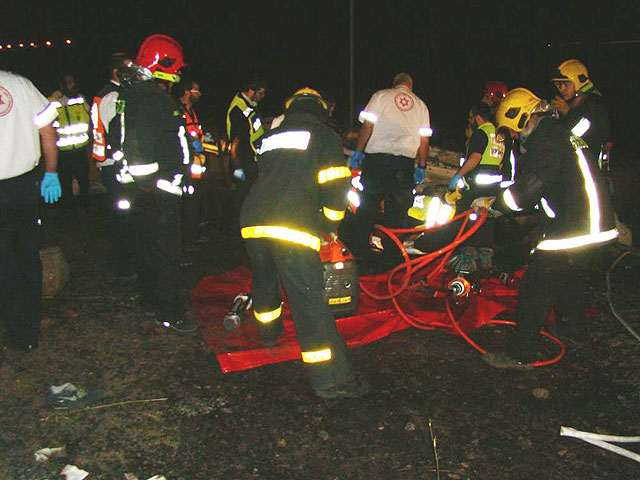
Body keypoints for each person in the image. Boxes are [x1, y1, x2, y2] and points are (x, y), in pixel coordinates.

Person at [475, 88, 618, 369]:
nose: (513, 137)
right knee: (570, 278)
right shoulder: (557, 133)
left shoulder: (547, 139)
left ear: (523, 117)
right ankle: (574, 333)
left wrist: (497, 204)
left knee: (536, 285)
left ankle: (520, 354)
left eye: (512, 130)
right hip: (594, 223)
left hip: (578, 224)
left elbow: (530, 189)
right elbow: (541, 185)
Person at [240, 87, 368, 399]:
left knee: (264, 279)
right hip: (292, 225)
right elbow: (335, 184)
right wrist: (330, 225)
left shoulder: (273, 134)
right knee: (308, 300)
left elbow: (275, 174)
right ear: (322, 109)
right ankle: (329, 378)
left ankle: (269, 334)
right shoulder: (323, 135)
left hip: (252, 218)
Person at [116, 34, 196, 333]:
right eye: (174, 68)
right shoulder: (152, 99)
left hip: (150, 190)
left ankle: (153, 303)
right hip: (158, 192)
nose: (177, 75)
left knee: (149, 248)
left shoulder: (137, 95)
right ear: (160, 65)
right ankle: (170, 313)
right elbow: (139, 145)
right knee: (165, 253)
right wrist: (151, 182)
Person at [339, 72, 432, 269]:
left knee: (367, 208)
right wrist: (421, 166)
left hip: (377, 162)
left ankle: (359, 256)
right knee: (397, 214)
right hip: (404, 166)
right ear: (410, 86)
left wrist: (358, 152)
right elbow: (424, 140)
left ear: (394, 84)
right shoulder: (421, 106)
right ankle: (392, 262)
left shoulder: (380, 96)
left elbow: (367, 126)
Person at [0, 69, 61, 351]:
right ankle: (29, 328)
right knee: (26, 254)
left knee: (6, 260)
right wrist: (51, 171)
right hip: (24, 186)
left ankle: (15, 327)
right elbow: (48, 129)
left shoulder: (20, 84)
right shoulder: (21, 84)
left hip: (17, 186)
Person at [91, 52, 137, 276]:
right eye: (128, 68)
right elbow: (116, 132)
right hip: (114, 165)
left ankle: (125, 259)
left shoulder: (113, 94)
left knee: (124, 214)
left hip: (113, 163)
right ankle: (123, 264)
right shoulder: (113, 96)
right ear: (116, 71)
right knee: (121, 215)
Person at [446, 101, 505, 271]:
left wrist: (458, 175)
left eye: (471, 117)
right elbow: (501, 163)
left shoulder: (481, 133)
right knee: (485, 221)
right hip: (493, 187)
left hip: (477, 186)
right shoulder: (498, 134)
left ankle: (466, 262)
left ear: (477, 117)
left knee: (467, 219)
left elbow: (475, 158)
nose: (470, 121)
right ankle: (485, 260)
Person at [551, 59, 611, 170]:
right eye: (559, 84)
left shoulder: (594, 106)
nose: (561, 88)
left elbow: (580, 134)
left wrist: (567, 113)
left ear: (580, 82)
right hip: (571, 170)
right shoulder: (571, 105)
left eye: (566, 83)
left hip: (588, 171)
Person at [225, 78, 266, 232]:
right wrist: (237, 166)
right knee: (243, 197)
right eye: (260, 93)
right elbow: (236, 140)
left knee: (249, 196)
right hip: (244, 161)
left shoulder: (249, 106)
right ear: (251, 91)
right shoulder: (238, 108)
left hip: (252, 159)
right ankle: (237, 230)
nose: (262, 97)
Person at [49, 73, 92, 208]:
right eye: (69, 83)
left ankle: (86, 206)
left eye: (73, 82)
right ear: (62, 85)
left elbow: (89, 115)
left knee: (84, 180)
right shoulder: (53, 101)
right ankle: (68, 210)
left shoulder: (80, 98)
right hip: (63, 151)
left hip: (80, 148)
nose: (73, 85)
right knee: (65, 182)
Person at [174, 75, 208, 245]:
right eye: (197, 90)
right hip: (185, 165)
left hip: (196, 164)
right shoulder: (178, 111)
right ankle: (186, 238)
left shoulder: (192, 112)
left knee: (195, 199)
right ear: (187, 92)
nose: (200, 94)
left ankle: (193, 233)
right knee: (187, 201)